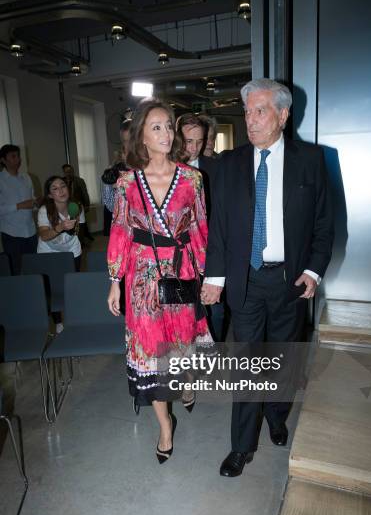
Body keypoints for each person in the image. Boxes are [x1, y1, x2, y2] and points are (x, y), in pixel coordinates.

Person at [201, 78, 334, 477]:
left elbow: (325, 223)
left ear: (282, 115)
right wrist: (216, 278)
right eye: (246, 112)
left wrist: (312, 270)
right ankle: (241, 446)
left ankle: (277, 415)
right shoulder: (229, 163)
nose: (251, 120)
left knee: (280, 361)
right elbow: (219, 227)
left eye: (260, 111)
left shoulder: (311, 160)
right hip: (245, 281)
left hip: (289, 282)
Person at [107, 99, 213, 463]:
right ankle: (165, 427)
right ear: (142, 136)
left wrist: (208, 276)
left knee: (180, 348)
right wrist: (114, 279)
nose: (167, 133)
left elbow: (200, 228)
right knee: (153, 353)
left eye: (169, 126)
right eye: (157, 127)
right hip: (142, 278)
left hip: (181, 272)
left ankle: (184, 387)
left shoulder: (192, 178)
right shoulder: (126, 183)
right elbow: (120, 230)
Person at [177, 113, 226, 341]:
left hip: (211, 249)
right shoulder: (165, 170)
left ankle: (214, 353)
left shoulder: (216, 168)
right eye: (189, 141)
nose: (195, 148)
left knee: (214, 308)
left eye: (199, 141)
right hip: (177, 252)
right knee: (182, 309)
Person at [37, 175, 85, 332]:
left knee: (72, 285)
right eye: (55, 189)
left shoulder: (77, 206)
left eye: (63, 186)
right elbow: (44, 236)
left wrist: (73, 230)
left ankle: (75, 318)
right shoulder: (45, 210)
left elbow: (80, 232)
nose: (61, 190)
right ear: (50, 195)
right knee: (53, 288)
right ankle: (58, 323)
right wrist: (61, 227)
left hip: (72, 250)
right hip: (48, 250)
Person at [0, 144, 37, 274]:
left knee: (33, 267)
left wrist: (37, 203)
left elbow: (32, 200)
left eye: (18, 156)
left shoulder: (26, 177)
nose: (18, 159)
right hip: (12, 234)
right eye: (13, 156)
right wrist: (19, 206)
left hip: (30, 231)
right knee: (16, 269)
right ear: (3, 160)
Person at [101, 119, 132, 235]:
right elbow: (109, 205)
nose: (130, 145)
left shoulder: (153, 166)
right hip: (124, 229)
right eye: (126, 141)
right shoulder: (115, 169)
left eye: (133, 140)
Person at [62, 163, 93, 242]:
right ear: (64, 172)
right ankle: (71, 241)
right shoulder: (62, 182)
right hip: (66, 206)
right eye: (66, 172)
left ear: (72, 171)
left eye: (70, 171)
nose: (68, 173)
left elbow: (85, 193)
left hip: (78, 205)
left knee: (81, 224)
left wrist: (87, 205)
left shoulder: (79, 181)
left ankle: (80, 241)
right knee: (69, 224)